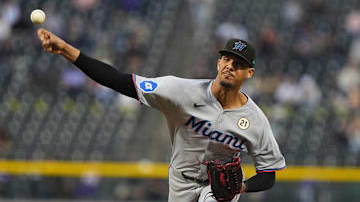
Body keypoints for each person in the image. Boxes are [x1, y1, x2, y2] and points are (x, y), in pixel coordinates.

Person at [37, 28, 286, 202]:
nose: (230, 65)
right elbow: (118, 81)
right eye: (227, 59)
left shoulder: (255, 120)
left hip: (220, 189)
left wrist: (240, 187)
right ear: (219, 62)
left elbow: (268, 175)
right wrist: (67, 50)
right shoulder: (180, 91)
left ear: (249, 73)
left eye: (239, 63)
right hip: (180, 180)